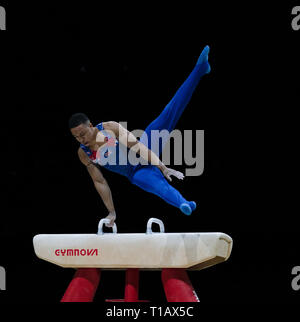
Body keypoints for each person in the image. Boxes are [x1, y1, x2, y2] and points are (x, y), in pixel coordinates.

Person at [69, 45, 211, 227]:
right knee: (159, 187)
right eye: (77, 138)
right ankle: (185, 203)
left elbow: (136, 146)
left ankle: (200, 68)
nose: (82, 139)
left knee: (168, 113)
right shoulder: (84, 154)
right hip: (136, 172)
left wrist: (162, 167)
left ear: (90, 125)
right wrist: (111, 211)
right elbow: (99, 181)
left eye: (82, 134)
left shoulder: (110, 128)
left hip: (145, 147)